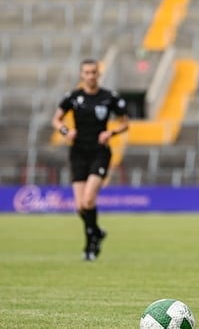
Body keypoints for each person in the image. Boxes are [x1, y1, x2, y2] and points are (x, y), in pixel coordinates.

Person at [51, 58, 129, 261]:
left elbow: (125, 122)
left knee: (88, 200)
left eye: (94, 72)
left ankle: (90, 245)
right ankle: (96, 232)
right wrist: (66, 130)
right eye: (87, 72)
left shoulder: (109, 97)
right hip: (78, 153)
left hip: (99, 152)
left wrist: (110, 133)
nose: (90, 76)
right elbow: (56, 119)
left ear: (98, 74)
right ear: (81, 75)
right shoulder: (73, 97)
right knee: (79, 207)